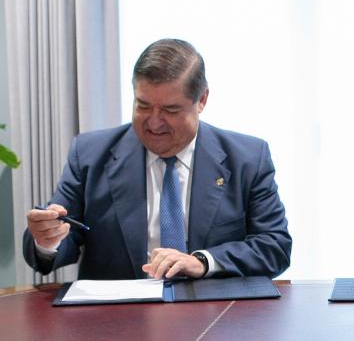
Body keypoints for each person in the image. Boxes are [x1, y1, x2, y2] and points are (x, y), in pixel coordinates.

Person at [23, 38, 291, 280]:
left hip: (214, 317)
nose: (153, 122)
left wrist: (204, 261)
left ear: (202, 100)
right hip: (119, 322)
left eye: (170, 109)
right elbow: (61, 239)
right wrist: (48, 240)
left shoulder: (247, 158)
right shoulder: (91, 154)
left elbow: (274, 246)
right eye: (143, 106)